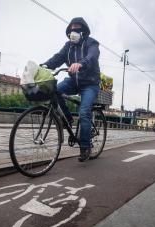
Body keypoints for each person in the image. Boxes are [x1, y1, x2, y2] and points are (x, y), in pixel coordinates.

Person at [41, 17, 101, 162]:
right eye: (72, 29)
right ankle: (67, 119)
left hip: (90, 84)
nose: (74, 31)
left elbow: (92, 56)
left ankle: (85, 147)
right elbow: (58, 58)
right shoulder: (68, 46)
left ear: (83, 31)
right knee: (54, 90)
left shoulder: (91, 42)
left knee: (84, 112)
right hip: (73, 81)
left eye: (77, 29)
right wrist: (43, 66)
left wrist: (81, 63)